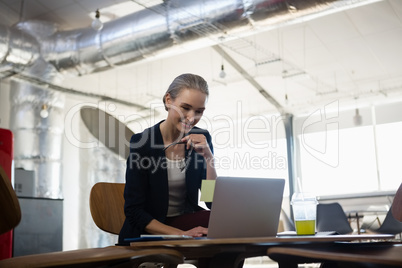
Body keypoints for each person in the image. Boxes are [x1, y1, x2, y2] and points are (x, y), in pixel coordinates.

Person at [119, 73, 217, 243]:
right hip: (150, 228)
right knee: (213, 225)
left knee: (222, 224)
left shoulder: (201, 138)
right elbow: (134, 211)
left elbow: (210, 201)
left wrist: (209, 159)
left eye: (199, 111)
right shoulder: (142, 143)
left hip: (183, 221)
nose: (191, 117)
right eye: (185, 108)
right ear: (168, 100)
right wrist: (180, 234)